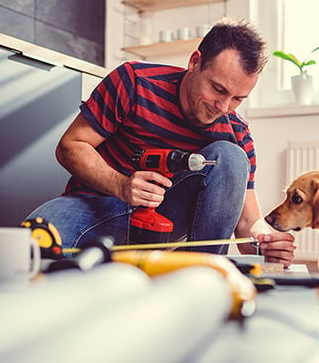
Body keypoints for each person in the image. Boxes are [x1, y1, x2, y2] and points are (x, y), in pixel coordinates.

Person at [25, 18, 295, 266]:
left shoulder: (236, 131)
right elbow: (70, 145)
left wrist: (264, 242)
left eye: (238, 99)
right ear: (195, 62)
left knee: (231, 157)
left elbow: (248, 221)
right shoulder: (134, 82)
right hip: (96, 206)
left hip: (166, 224)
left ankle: (201, 274)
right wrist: (121, 185)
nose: (223, 107)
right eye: (218, 89)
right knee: (32, 244)